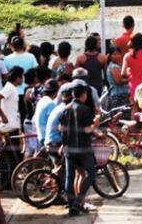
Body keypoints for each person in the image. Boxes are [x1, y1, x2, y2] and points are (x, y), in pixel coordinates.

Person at [58, 83, 97, 217]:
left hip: (69, 148)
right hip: (83, 148)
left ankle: (72, 205)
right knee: (91, 173)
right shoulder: (85, 110)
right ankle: (78, 200)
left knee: (70, 176)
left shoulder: (64, 109)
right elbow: (87, 130)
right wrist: (95, 124)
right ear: (83, 95)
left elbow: (61, 129)